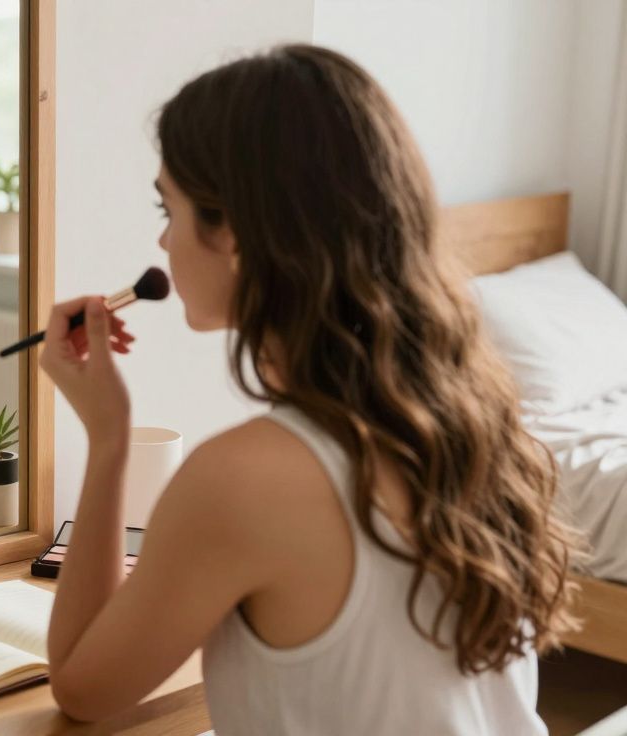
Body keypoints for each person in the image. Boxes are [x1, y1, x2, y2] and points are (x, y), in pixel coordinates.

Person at [41, 44, 582, 734]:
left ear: (232, 230)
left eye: (168, 208)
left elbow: (84, 688)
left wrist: (108, 439)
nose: (163, 239)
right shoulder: (473, 422)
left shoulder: (245, 479)